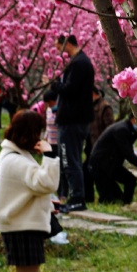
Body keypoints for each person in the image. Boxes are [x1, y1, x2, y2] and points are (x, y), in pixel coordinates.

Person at [0, 109, 61, 272]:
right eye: (38, 132)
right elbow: (46, 183)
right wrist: (50, 155)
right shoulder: (16, 161)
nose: (40, 138)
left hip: (19, 225)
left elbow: (29, 188)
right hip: (22, 228)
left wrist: (47, 201)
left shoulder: (11, 156)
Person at [51, 34, 95, 213]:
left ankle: (77, 198)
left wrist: (53, 85)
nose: (58, 51)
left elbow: (70, 90)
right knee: (71, 159)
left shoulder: (79, 63)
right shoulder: (80, 61)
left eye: (59, 46)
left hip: (72, 120)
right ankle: (74, 197)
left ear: (66, 44)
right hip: (75, 119)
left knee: (70, 160)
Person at [88, 116, 137, 205]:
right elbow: (127, 154)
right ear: (134, 119)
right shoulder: (121, 130)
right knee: (109, 198)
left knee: (130, 180)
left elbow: (129, 152)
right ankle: (124, 204)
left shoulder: (127, 129)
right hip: (100, 167)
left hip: (110, 165)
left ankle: (126, 204)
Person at [84, 85, 114, 203]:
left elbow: (109, 128)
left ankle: (105, 198)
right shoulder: (90, 106)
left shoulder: (104, 107)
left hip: (100, 147)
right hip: (90, 145)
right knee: (86, 172)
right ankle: (89, 198)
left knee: (98, 174)